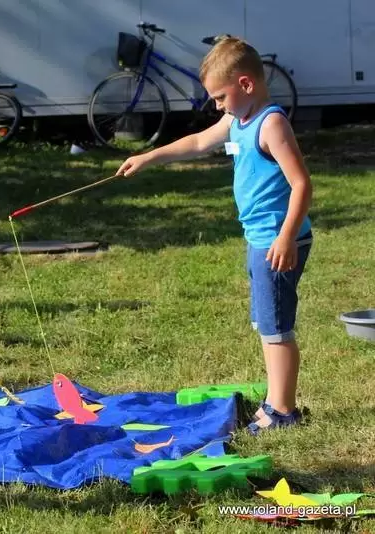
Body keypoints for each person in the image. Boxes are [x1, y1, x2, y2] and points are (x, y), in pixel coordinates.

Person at [117, 37, 312, 436]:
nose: (218, 106)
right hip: (260, 239)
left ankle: (283, 411)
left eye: (221, 97)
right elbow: (197, 142)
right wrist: (149, 157)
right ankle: (275, 402)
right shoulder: (237, 121)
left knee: (277, 328)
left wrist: (286, 237)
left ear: (246, 84)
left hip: (277, 241)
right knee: (267, 323)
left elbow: (302, 184)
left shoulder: (271, 124)